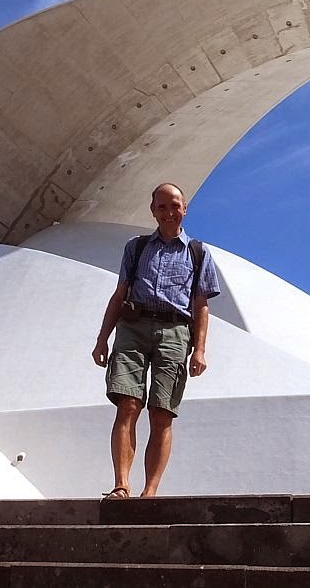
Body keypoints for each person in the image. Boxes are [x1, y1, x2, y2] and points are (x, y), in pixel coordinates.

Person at [91, 183, 220, 498]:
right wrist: (102, 338)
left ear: (184, 208)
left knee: (161, 412)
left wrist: (199, 349)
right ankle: (121, 485)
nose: (168, 212)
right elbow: (120, 294)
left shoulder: (198, 252)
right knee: (128, 403)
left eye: (174, 205)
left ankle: (150, 492)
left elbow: (201, 304)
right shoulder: (136, 248)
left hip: (175, 332)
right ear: (153, 211)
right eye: (161, 207)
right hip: (133, 327)